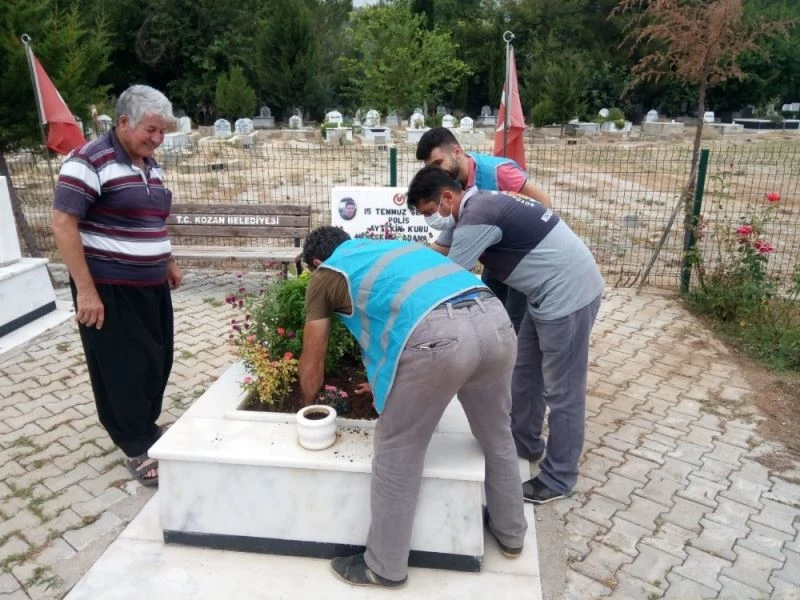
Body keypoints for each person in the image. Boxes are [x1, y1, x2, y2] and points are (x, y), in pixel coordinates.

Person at [298, 226, 527, 588]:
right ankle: (512, 534)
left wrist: (308, 406)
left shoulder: (326, 275)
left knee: (396, 452)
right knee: (497, 434)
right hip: (495, 322)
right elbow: (397, 313)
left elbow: (313, 359)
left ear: (315, 262)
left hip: (442, 341)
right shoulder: (391, 249)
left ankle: (383, 566)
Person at [406, 166, 604, 505]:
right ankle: (524, 443)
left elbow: (447, 280)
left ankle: (559, 477)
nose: (431, 220)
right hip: (543, 295)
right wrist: (398, 258)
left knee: (563, 391)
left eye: (429, 211)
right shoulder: (474, 208)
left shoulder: (476, 218)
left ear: (447, 197)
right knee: (525, 371)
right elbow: (434, 254)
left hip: (568, 294)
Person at [51, 85, 181, 487]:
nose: (157, 139)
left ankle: (145, 424)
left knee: (156, 358)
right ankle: (136, 445)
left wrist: (167, 259)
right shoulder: (88, 161)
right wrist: (86, 291)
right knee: (121, 369)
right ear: (123, 122)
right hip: (108, 289)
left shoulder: (149, 163)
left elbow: (153, 218)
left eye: (162, 132)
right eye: (151, 130)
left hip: (149, 284)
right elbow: (63, 223)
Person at [416, 126, 553, 332]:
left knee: (516, 322)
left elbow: (543, 202)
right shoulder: (454, 185)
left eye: (438, 163)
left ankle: (515, 361)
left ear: (457, 152)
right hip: (495, 260)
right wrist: (410, 256)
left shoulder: (499, 173)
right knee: (490, 311)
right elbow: (451, 237)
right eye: (431, 168)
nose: (437, 172)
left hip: (524, 260)